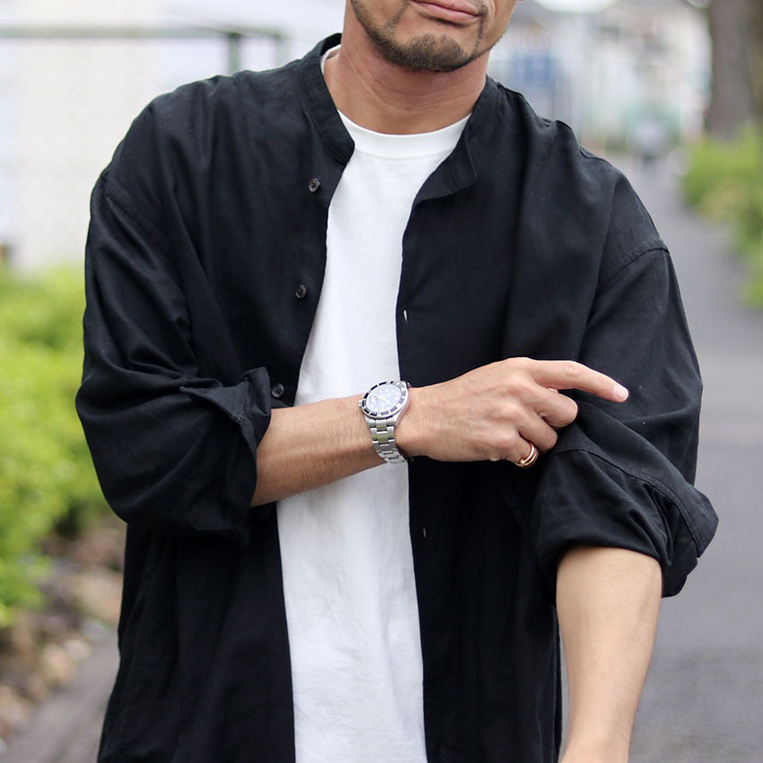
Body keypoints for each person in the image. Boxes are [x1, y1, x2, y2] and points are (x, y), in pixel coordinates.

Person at [76, 1, 717, 762]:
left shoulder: (587, 214)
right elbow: (146, 451)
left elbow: (621, 501)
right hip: (207, 730)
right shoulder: (186, 152)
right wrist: (403, 418)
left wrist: (598, 743)